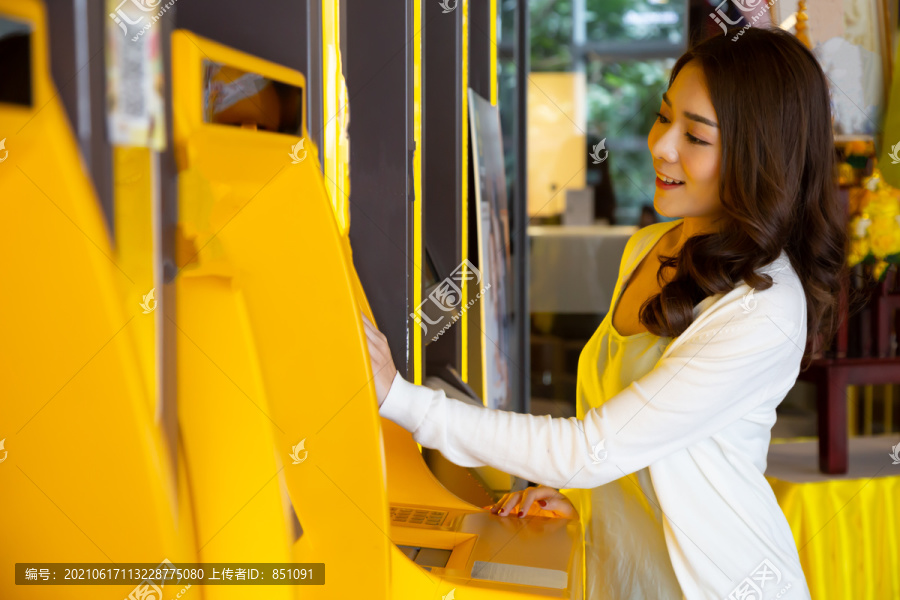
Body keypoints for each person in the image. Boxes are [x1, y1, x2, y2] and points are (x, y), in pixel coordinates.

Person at [363, 25, 847, 600]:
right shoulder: (650, 247)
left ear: (759, 156)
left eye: (695, 137)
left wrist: (399, 398)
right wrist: (587, 498)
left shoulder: (765, 308)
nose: (660, 145)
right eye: (664, 117)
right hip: (619, 573)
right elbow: (634, 437)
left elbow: (588, 448)